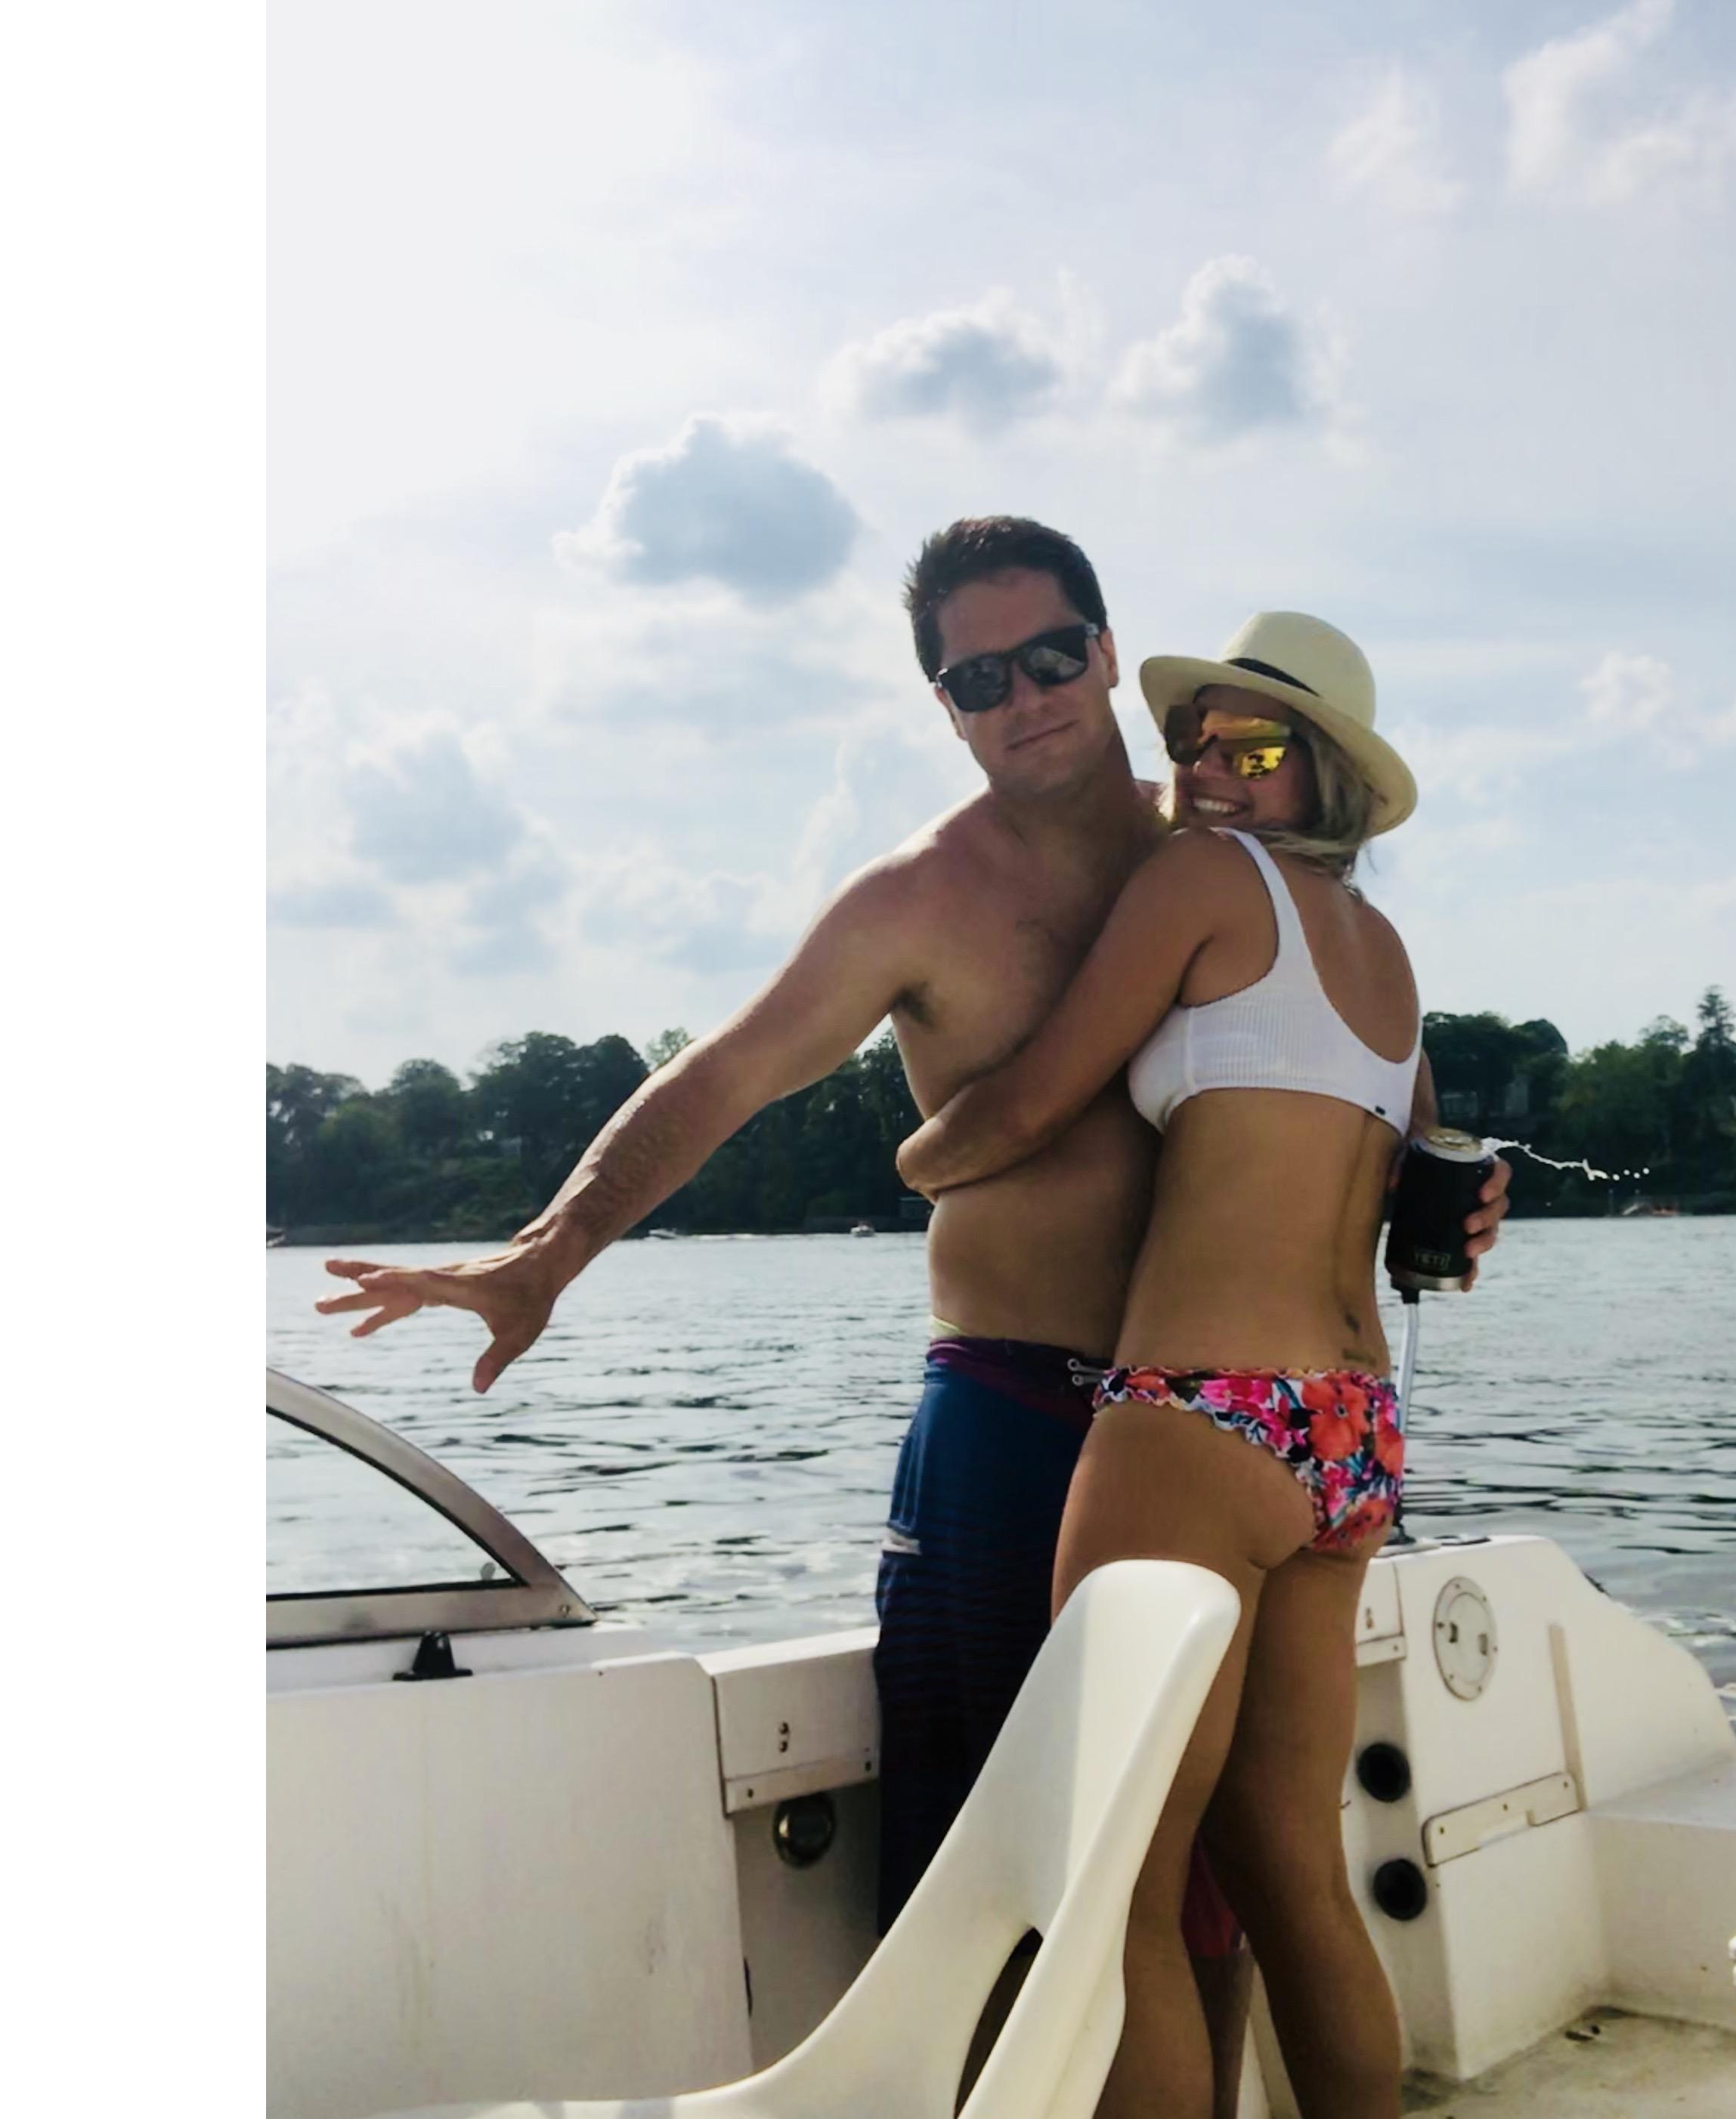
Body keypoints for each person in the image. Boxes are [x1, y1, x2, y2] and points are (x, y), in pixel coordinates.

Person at [315, 524, 1510, 2111]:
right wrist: (546, 1252)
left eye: (1051, 655)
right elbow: (729, 1071)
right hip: (1025, 1422)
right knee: (1011, 1872)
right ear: (942, 705)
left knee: (1210, 1888)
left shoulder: (1217, 850)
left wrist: (1453, 1199)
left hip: (1189, 1429)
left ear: (1107, 651)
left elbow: (1353, 1108)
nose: (1024, 695)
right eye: (976, 678)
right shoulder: (924, 896)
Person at [897, 611, 1431, 2119]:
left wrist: (916, 1160)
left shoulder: (1198, 882)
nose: (1204, 768)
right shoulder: (1387, 958)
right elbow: (1411, 1190)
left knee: (1114, 1877)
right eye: (1193, 738)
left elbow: (1031, 1100)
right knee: (1289, 1868)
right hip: (1350, 1436)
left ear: (1323, 774)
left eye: (1248, 746)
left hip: (1202, 1415)